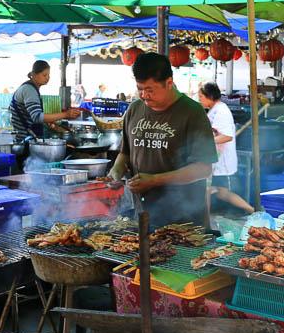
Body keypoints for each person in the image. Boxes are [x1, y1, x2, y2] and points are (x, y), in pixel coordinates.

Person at [107, 53, 217, 227]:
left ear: (169, 83)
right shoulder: (134, 109)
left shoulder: (192, 112)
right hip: (142, 215)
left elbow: (202, 169)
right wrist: (116, 172)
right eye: (140, 89)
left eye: (150, 90)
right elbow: (125, 153)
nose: (144, 96)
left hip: (183, 220)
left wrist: (155, 180)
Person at [198, 81, 255, 215]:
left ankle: (205, 225)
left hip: (220, 162)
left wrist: (205, 142)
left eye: (201, 97)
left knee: (209, 192)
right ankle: (253, 210)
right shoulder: (214, 110)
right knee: (219, 194)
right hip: (214, 161)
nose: (199, 100)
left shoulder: (221, 111)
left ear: (210, 96)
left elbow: (227, 136)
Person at [10, 60, 81, 142]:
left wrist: (48, 121)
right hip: (25, 140)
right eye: (44, 75)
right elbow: (37, 117)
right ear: (34, 75)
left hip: (29, 139)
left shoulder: (31, 88)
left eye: (48, 75)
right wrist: (66, 114)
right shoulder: (29, 90)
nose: (47, 78)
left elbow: (30, 114)